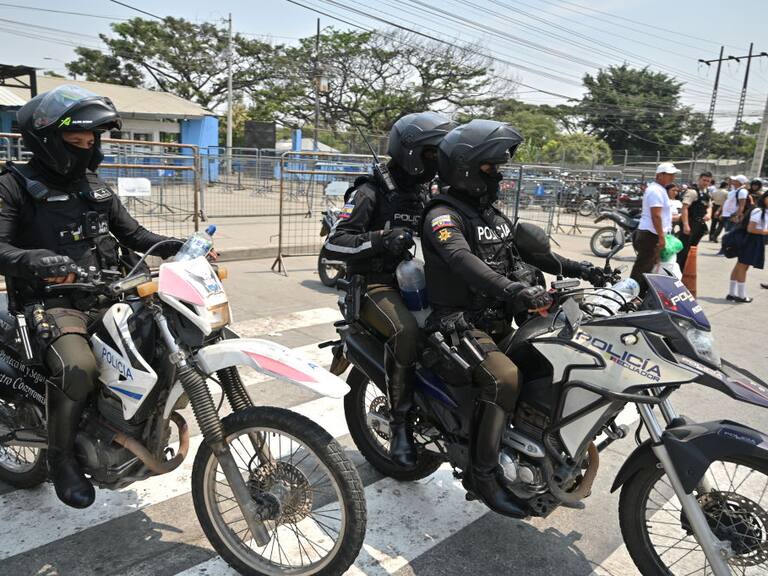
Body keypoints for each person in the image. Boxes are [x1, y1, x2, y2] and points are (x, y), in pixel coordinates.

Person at [0, 85, 183, 508]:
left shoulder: (94, 186)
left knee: (163, 343)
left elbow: (136, 236)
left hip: (107, 292)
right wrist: (35, 259)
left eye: (92, 140)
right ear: (46, 140)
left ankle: (127, 427)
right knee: (79, 367)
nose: (87, 148)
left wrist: (180, 244)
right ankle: (62, 459)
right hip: (51, 305)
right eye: (76, 140)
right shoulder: (13, 187)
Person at [421, 119, 604, 516]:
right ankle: (483, 475)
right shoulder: (442, 213)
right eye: (491, 167)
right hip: (458, 325)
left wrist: (587, 271)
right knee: (504, 378)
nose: (499, 175)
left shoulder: (492, 215)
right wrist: (514, 291)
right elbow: (461, 259)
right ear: (467, 168)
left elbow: (538, 255)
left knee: (561, 361)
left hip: (500, 322)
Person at [322, 111, 456, 468]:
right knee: (406, 332)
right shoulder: (370, 191)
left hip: (414, 281)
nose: (436, 162)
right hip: (372, 285)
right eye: (431, 153)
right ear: (411, 151)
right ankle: (399, 425)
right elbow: (334, 246)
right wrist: (380, 240)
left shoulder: (426, 193)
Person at [630, 162, 678, 294]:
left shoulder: (660, 189)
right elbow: (656, 216)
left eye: (673, 175)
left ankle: (639, 294)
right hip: (650, 234)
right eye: (669, 175)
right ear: (660, 175)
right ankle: (630, 294)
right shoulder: (655, 190)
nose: (672, 177)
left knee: (649, 267)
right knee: (642, 268)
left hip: (653, 233)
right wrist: (661, 237)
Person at [727, 191, 768, 303]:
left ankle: (732, 293)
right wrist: (765, 232)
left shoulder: (763, 210)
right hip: (751, 239)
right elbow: (751, 229)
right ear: (765, 198)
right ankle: (740, 295)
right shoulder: (759, 210)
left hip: (754, 240)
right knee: (743, 267)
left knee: (740, 266)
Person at [677, 171, 713, 269]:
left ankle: (684, 270)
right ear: (699, 179)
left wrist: (709, 214)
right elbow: (685, 208)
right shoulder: (693, 192)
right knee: (683, 250)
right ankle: (677, 272)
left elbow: (709, 206)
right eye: (704, 180)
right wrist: (685, 225)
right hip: (690, 223)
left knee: (692, 249)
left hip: (699, 224)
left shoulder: (707, 193)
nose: (705, 183)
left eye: (708, 181)